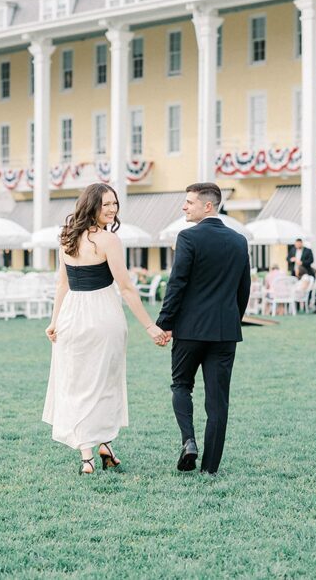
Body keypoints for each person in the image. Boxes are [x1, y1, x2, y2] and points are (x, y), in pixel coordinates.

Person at [43, 183, 168, 475]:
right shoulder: (109, 240)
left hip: (71, 315)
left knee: (77, 382)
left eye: (115, 204)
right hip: (102, 314)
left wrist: (54, 319)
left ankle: (90, 453)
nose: (112, 209)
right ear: (92, 206)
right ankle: (102, 443)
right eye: (106, 204)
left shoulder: (66, 238)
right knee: (105, 381)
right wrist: (149, 326)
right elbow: (125, 287)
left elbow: (62, 284)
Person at [156, 182, 252, 476]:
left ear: (207, 206)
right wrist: (231, 318)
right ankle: (210, 468)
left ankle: (188, 441)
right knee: (218, 400)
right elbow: (244, 289)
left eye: (189, 202)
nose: (184, 207)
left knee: (181, 386)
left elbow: (177, 284)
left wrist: (165, 323)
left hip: (189, 330)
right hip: (225, 332)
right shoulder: (240, 241)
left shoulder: (188, 237)